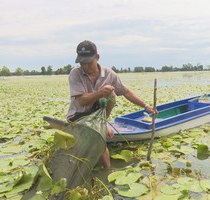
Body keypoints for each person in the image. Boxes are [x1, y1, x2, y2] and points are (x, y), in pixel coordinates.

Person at [67, 40, 156, 168]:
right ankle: (107, 166)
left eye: (88, 62)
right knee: (98, 138)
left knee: (112, 94)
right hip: (78, 115)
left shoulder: (109, 74)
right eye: (82, 62)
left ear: (97, 57)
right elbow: (81, 100)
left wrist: (146, 106)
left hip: (97, 115)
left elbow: (126, 92)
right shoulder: (75, 74)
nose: (85, 66)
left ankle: (103, 123)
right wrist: (99, 93)